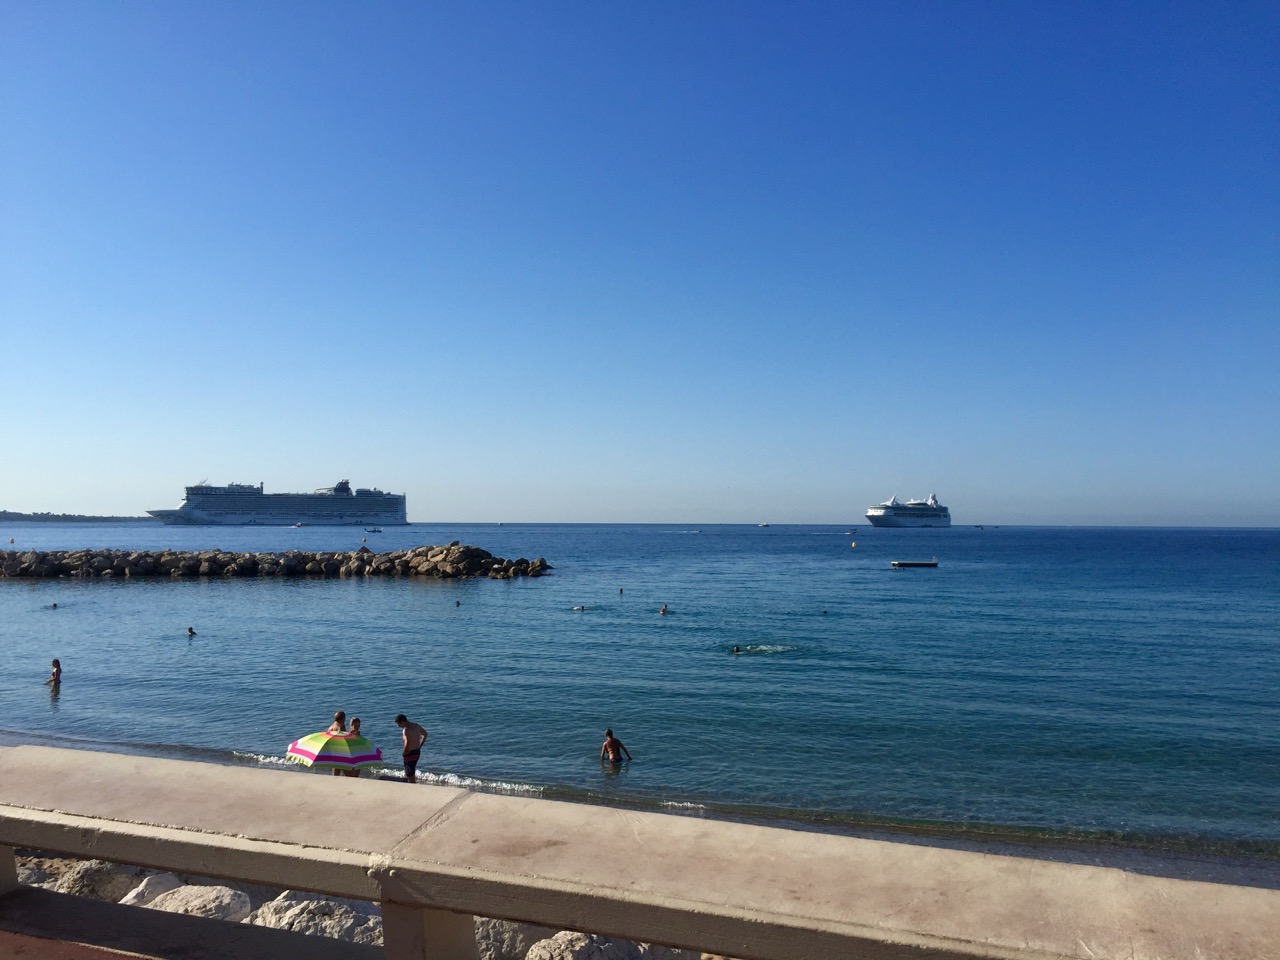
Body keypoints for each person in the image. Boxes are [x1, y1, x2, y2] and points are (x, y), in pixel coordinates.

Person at [395, 714, 428, 783]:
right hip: (417, 752)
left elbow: (407, 743)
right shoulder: (416, 725)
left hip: (409, 753)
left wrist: (404, 752)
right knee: (412, 770)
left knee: (409, 773)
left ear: (402, 722)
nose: (398, 726)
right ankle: (413, 783)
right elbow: (425, 734)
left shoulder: (406, 730)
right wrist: (420, 745)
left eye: (398, 724)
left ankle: (412, 786)